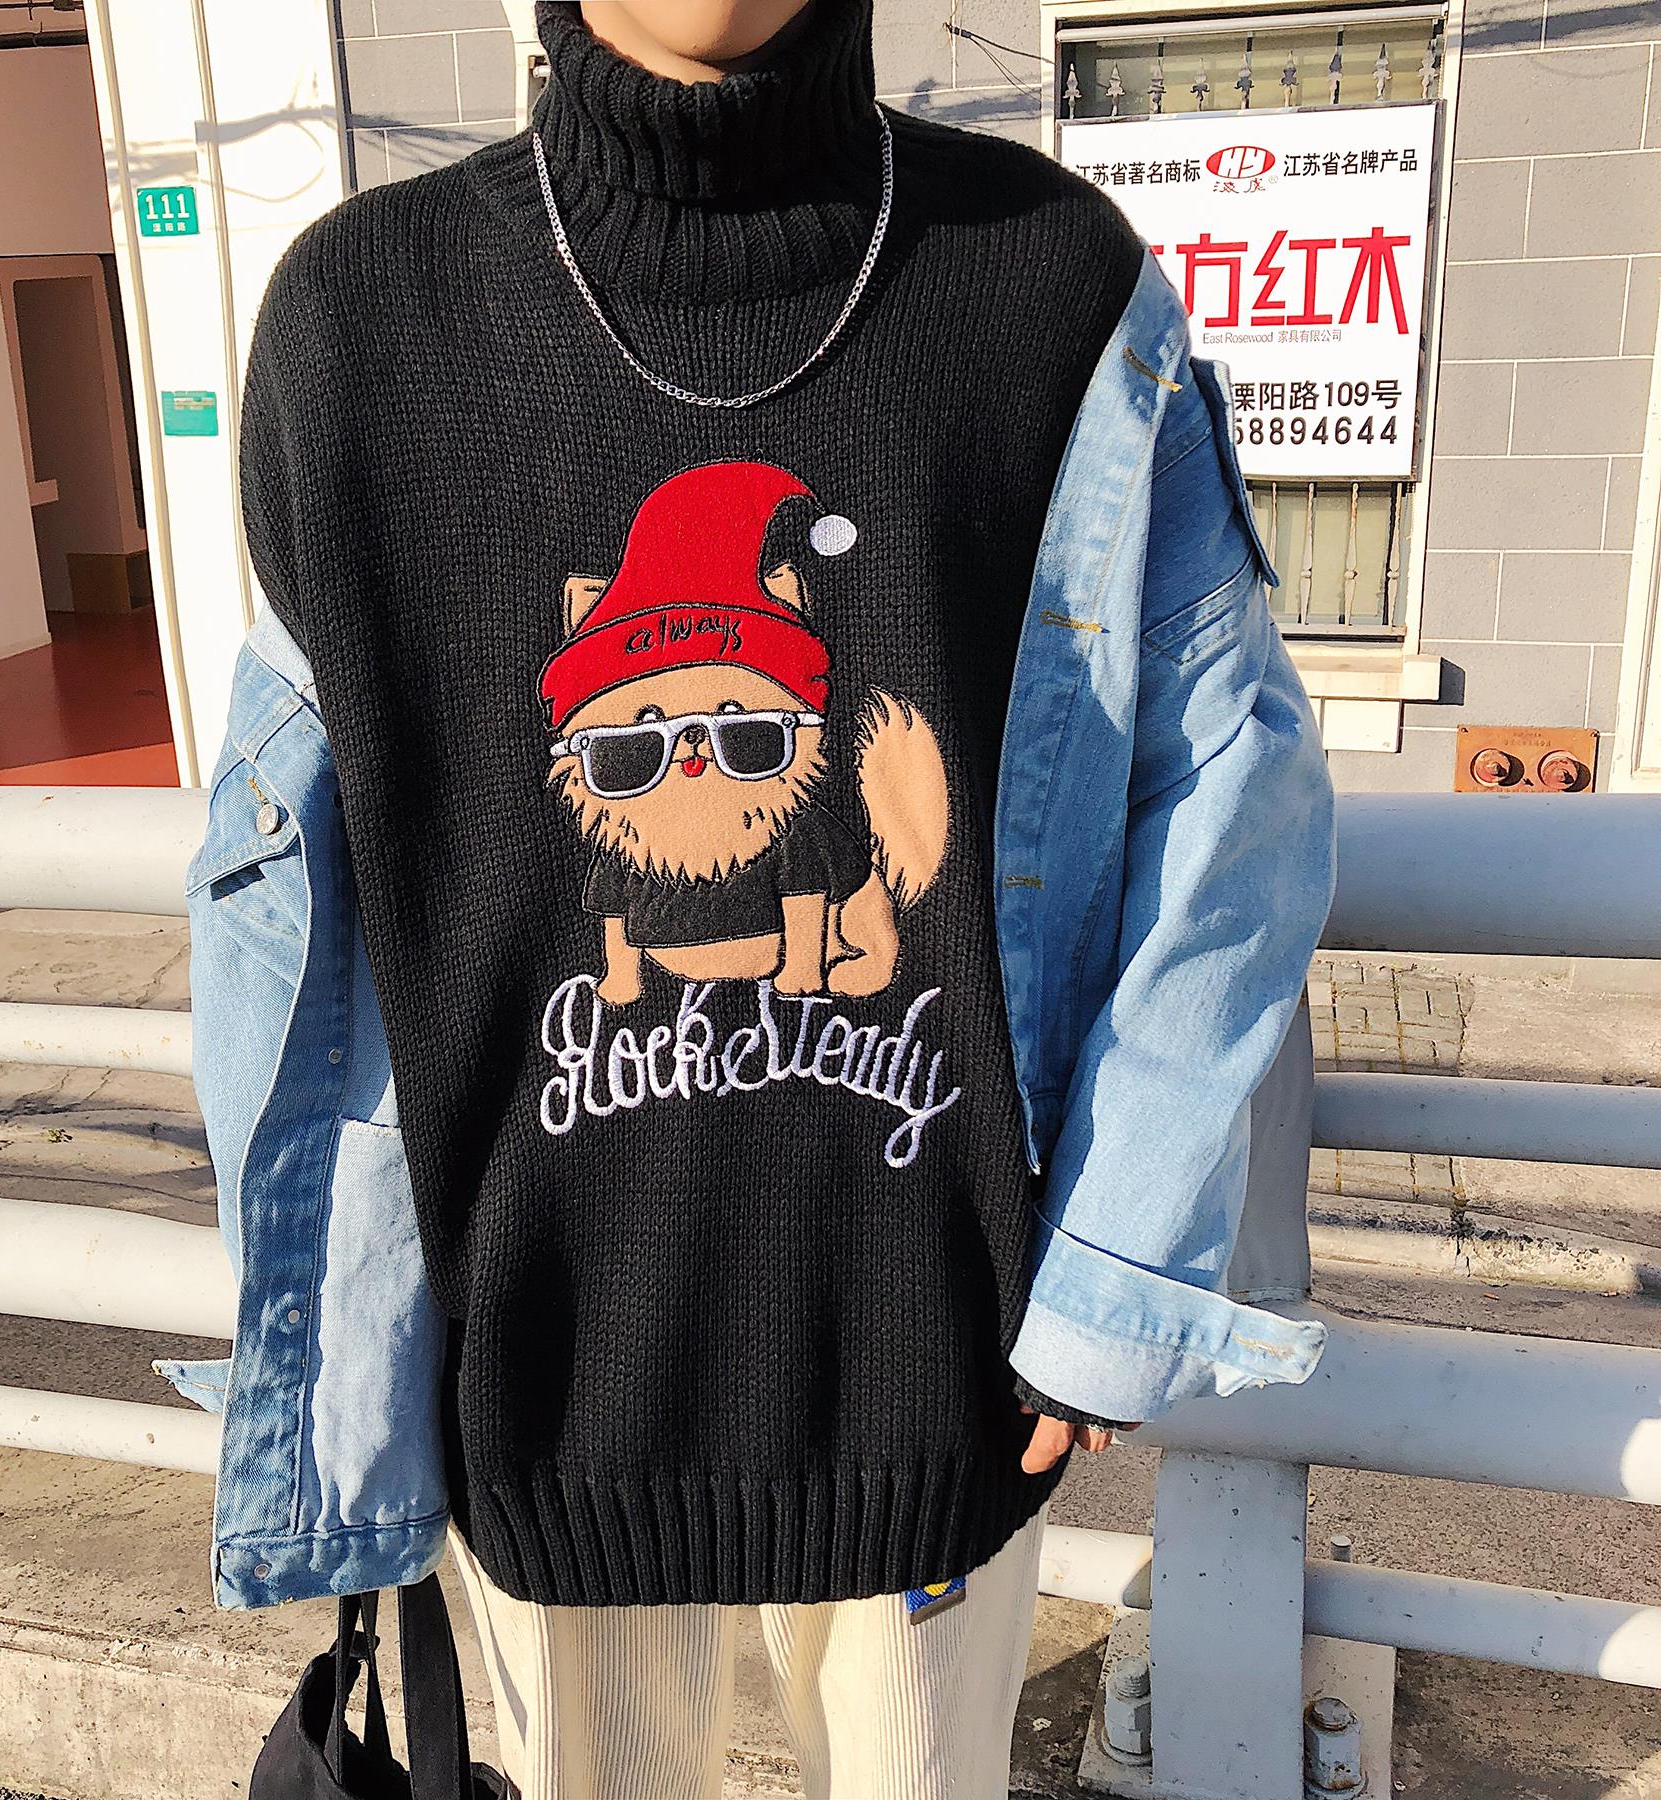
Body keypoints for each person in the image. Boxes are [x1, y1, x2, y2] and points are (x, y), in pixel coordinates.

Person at [198, 1, 1338, 1794]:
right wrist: (359, 1388)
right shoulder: (360, 323)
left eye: (737, 733)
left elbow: (1229, 806)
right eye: (639, 746)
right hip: (539, 1403)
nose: (693, 772)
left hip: (946, 1382)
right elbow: (293, 928)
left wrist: (1114, 1276)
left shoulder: (1051, 287)